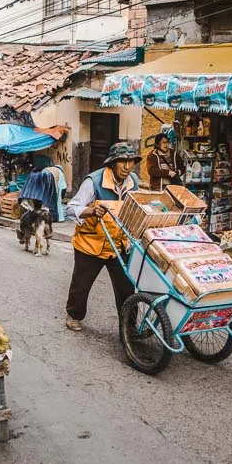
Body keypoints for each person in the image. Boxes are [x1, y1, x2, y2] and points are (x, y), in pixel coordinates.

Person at [64, 142, 142, 331]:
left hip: (118, 244)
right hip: (91, 243)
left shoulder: (133, 182)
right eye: (122, 161)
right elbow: (70, 208)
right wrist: (90, 211)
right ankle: (74, 315)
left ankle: (129, 327)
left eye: (131, 161)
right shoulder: (94, 181)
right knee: (81, 285)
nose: (127, 166)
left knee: (126, 288)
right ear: (112, 163)